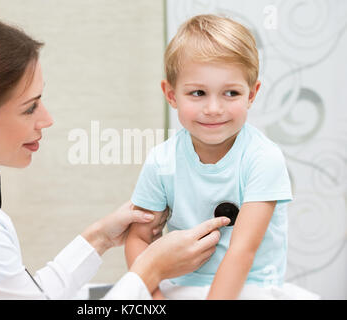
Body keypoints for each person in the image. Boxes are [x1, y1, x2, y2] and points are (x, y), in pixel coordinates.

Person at [0, 15, 230, 299]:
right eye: (30, 108)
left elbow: (27, 294)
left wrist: (99, 237)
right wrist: (151, 270)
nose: (47, 119)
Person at [125, 14, 319, 300]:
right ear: (171, 94)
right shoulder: (161, 161)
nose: (214, 108)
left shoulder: (263, 158)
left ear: (251, 94)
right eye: (198, 93)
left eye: (231, 92)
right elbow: (139, 238)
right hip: (180, 287)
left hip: (250, 287)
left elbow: (242, 252)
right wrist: (154, 298)